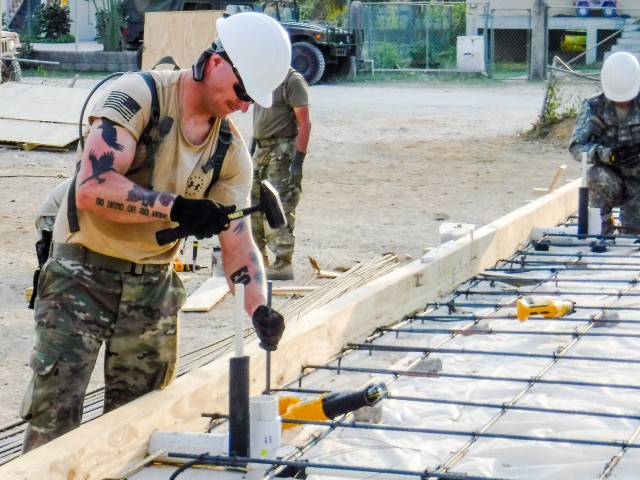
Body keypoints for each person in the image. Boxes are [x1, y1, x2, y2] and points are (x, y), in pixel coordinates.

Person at [20, 12, 290, 452]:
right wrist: (177, 208)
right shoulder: (139, 95)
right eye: (242, 92)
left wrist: (259, 310)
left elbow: (238, 241)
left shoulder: (230, 151)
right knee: (54, 421)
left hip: (152, 284)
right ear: (219, 63)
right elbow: (92, 187)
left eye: (252, 100)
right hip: (80, 273)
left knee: (140, 426)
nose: (244, 105)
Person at [569, 51, 640, 234]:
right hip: (611, 178)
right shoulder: (594, 106)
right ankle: (605, 221)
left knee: (632, 233)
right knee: (594, 175)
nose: (623, 101)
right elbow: (576, 148)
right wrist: (608, 155)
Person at [251, 67, 311, 280]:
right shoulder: (262, 77)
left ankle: (282, 264)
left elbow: (305, 123)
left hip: (281, 152)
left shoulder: (292, 81)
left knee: (279, 207)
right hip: (260, 150)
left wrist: (298, 162)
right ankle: (258, 260)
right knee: (252, 207)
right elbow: (258, 118)